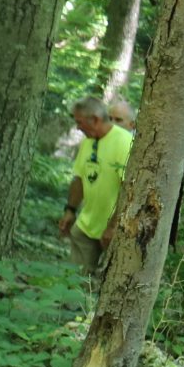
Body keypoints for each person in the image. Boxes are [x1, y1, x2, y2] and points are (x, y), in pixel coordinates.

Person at [61, 95, 133, 276]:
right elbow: (79, 177)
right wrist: (70, 210)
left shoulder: (124, 142)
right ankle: (70, 304)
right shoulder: (88, 141)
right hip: (87, 226)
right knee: (73, 280)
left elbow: (129, 189)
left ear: (94, 119)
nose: (77, 127)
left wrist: (113, 226)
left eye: (80, 122)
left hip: (114, 231)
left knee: (108, 284)